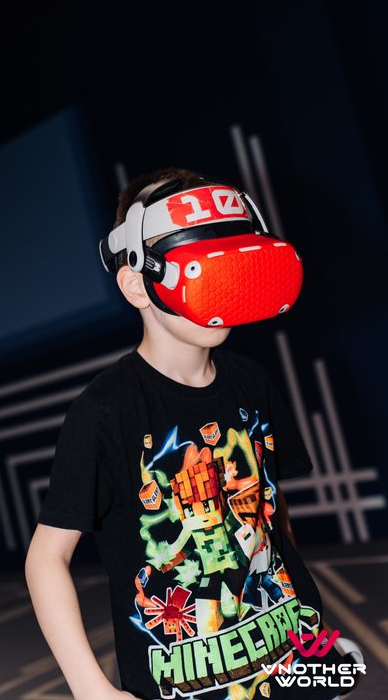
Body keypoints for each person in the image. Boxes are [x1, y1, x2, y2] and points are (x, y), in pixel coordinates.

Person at [25, 168, 358, 700]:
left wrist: (307, 628)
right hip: (186, 676)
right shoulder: (106, 412)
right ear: (136, 283)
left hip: (290, 657)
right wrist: (91, 689)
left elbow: (273, 513)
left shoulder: (251, 381)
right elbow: (46, 558)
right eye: (199, 263)